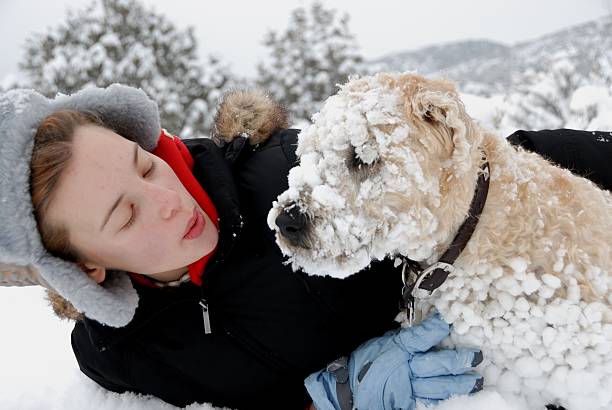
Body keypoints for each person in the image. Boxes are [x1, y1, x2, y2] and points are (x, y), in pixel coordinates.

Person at [0, 84, 609, 410]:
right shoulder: (123, 353)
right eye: (125, 213)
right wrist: (328, 399)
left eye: (145, 163)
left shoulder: (292, 176)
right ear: (84, 266)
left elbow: (486, 174)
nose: (167, 198)